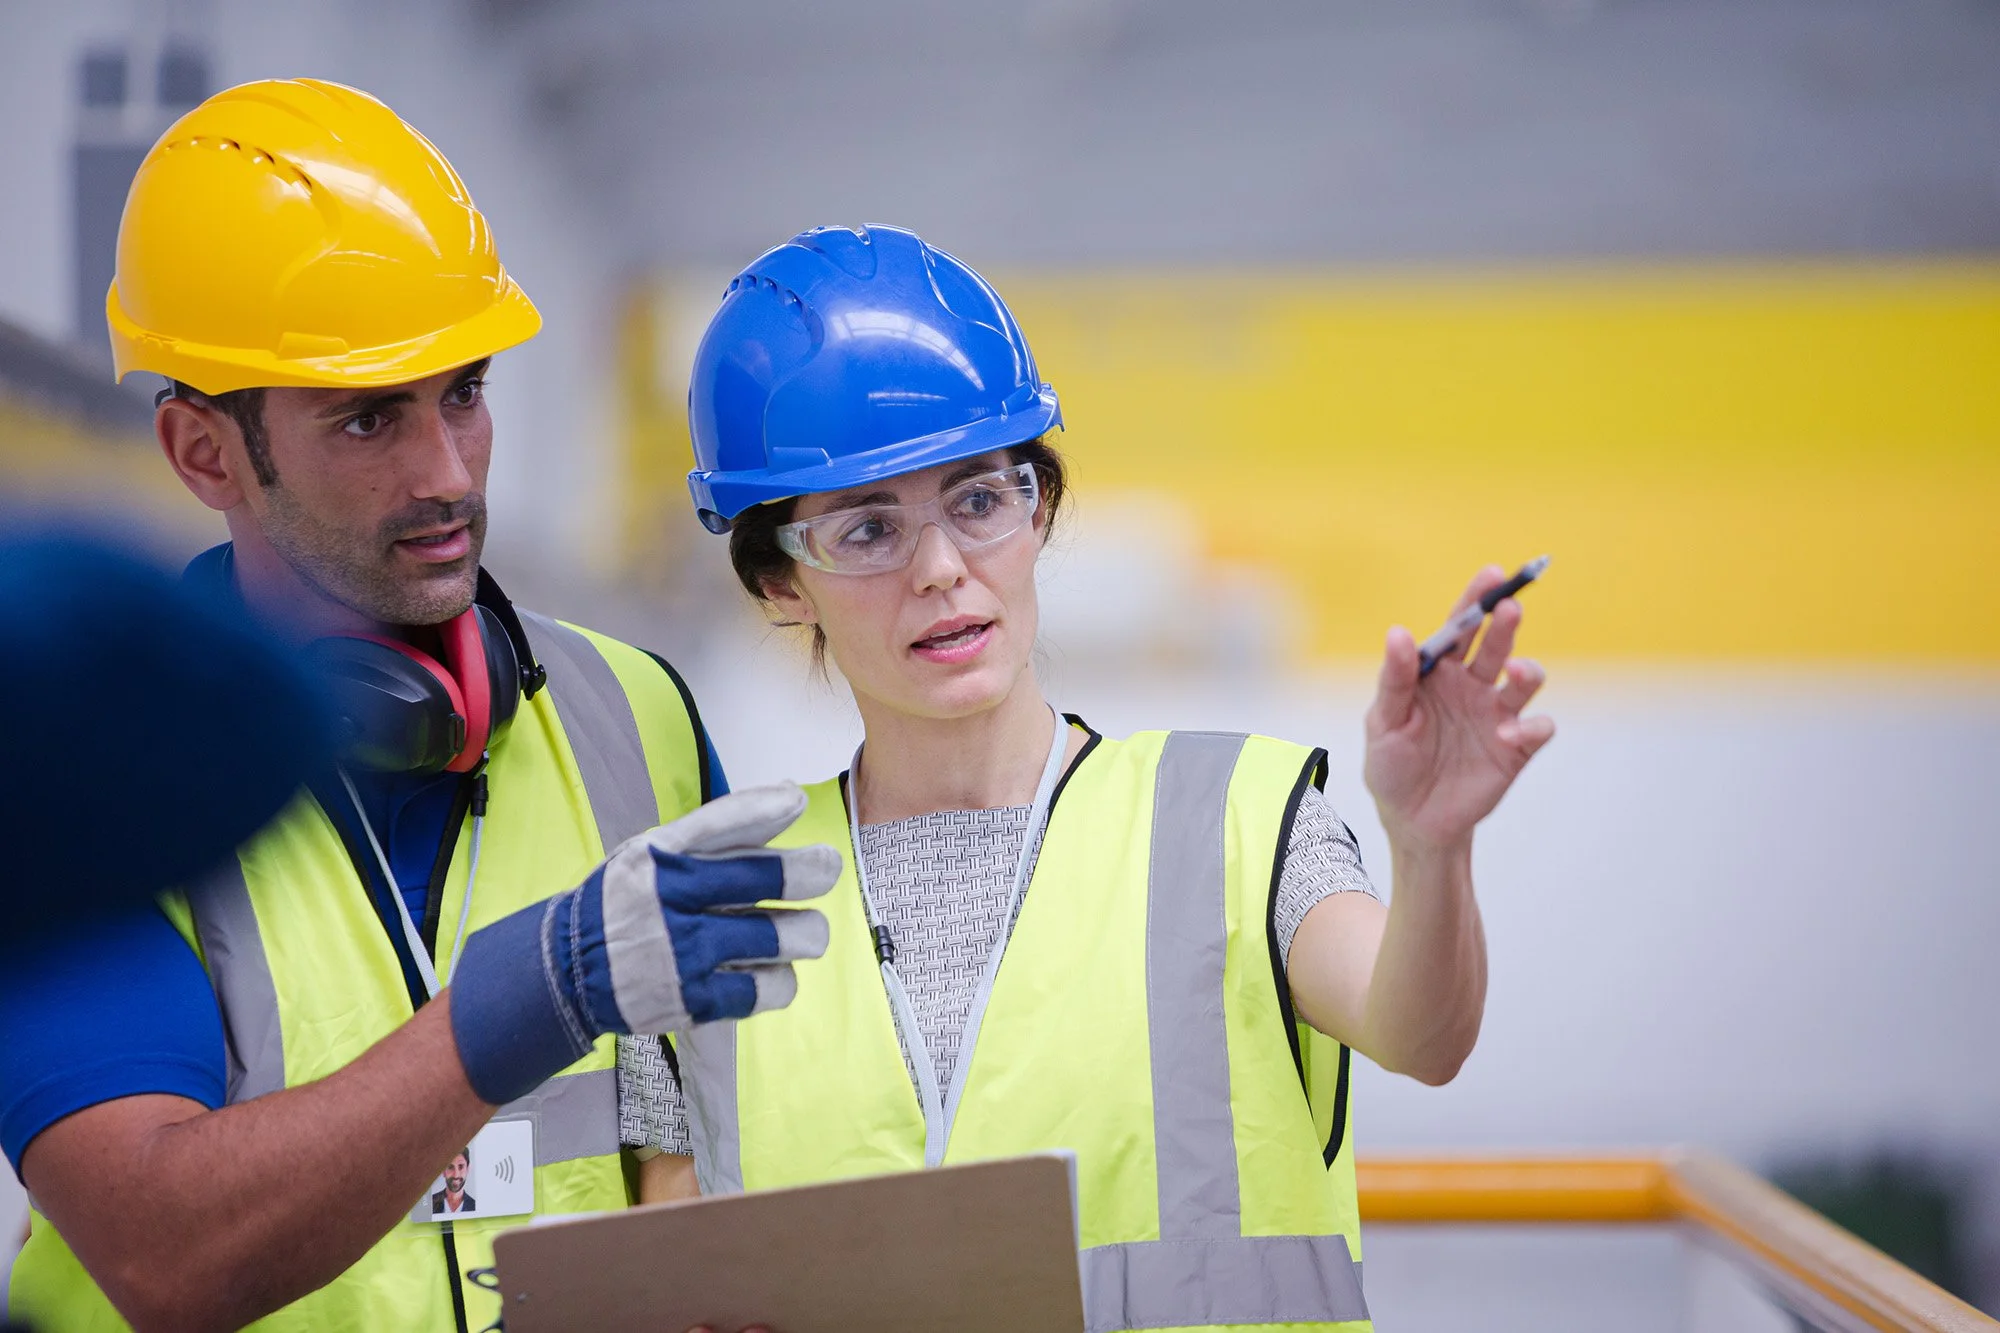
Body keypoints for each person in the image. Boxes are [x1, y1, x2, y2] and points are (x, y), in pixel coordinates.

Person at [3, 81, 838, 1333]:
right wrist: (522, 1003)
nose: (446, 471)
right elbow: (164, 1252)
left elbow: (715, 1136)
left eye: (463, 392)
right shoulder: (100, 760)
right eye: (367, 418)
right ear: (203, 454)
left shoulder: (633, 713)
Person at [620, 225, 1556, 1333]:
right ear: (780, 581)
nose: (941, 569)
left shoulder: (1235, 824)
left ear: (1038, 510)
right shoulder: (706, 908)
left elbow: (1422, 1032)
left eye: (978, 500)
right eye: (869, 528)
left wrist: (1429, 844)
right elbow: (666, 1270)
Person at [431, 1151, 475, 1217]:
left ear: (467, 1169)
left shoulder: (474, 1206)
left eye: (461, 1167)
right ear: (443, 1171)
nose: (456, 1175)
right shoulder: (431, 1203)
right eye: (450, 1167)